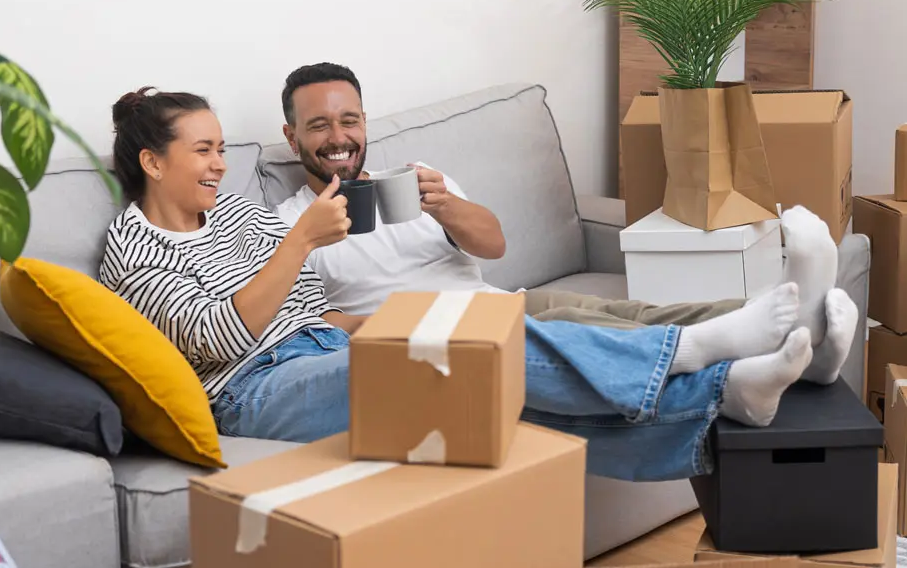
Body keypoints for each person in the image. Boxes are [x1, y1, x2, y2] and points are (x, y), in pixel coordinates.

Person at [98, 86, 855, 483]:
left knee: (508, 412)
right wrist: (300, 242)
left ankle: (726, 394)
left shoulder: (230, 216)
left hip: (323, 347)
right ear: (153, 163)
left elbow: (305, 307)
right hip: (253, 392)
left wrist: (369, 318)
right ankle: (692, 354)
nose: (220, 165)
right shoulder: (132, 253)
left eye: (223, 149)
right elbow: (219, 336)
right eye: (203, 151)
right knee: (468, 345)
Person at [272, 61, 854, 382]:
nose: (338, 138)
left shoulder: (419, 176)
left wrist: (443, 204)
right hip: (437, 330)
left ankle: (799, 324)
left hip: (496, 299)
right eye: (318, 126)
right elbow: (309, 323)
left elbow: (494, 245)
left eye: (348, 120)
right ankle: (785, 339)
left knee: (629, 313)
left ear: (365, 123)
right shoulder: (288, 224)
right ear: (291, 137)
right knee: (585, 323)